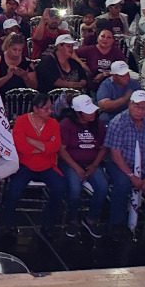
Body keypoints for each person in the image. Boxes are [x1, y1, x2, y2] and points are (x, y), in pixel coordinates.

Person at [0, 90, 67, 232]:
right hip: (25, 164)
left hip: (47, 165)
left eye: (51, 107)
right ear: (36, 109)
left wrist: (31, 140)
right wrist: (44, 146)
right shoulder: (22, 121)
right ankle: (8, 223)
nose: (50, 111)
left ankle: (49, 223)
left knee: (60, 188)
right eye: (46, 108)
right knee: (13, 192)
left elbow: (55, 147)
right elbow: (21, 147)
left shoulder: (54, 123)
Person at [105, 89, 145, 237]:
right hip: (120, 165)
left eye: (143, 107)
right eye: (136, 105)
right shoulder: (118, 122)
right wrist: (132, 176)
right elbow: (115, 154)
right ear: (130, 104)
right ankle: (116, 224)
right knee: (122, 184)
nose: (139, 110)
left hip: (144, 166)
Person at [58, 94, 110, 237]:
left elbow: (103, 148)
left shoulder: (98, 125)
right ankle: (72, 219)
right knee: (75, 188)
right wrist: (76, 167)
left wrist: (94, 165)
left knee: (102, 187)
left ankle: (91, 219)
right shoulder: (66, 124)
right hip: (71, 163)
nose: (93, 113)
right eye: (88, 111)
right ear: (78, 113)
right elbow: (62, 150)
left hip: (92, 163)